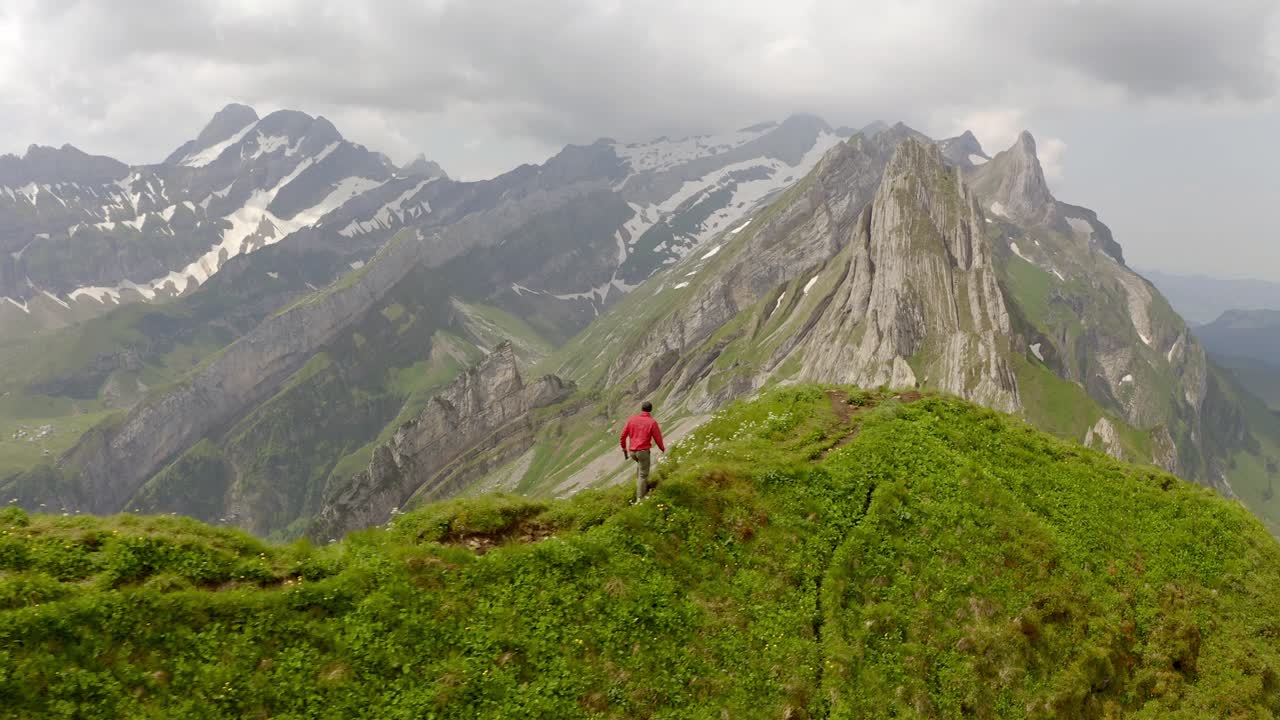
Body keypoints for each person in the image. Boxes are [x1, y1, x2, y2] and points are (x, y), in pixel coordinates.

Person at [620, 401, 665, 502]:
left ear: (642, 408)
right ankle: (640, 499)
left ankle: (641, 487)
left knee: (640, 469)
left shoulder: (632, 419)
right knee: (643, 475)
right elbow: (657, 437)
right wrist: (662, 448)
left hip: (632, 452)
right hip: (643, 451)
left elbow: (623, 436)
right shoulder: (652, 422)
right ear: (650, 410)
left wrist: (624, 448)